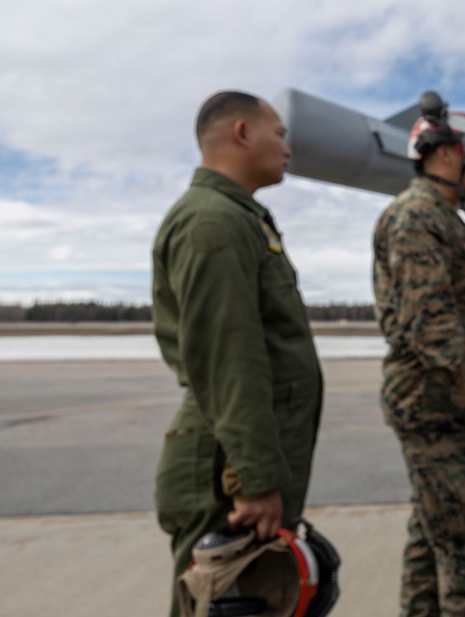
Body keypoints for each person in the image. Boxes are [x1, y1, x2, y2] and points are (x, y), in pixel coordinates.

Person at [152, 91, 324, 617]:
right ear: (242, 133)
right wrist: (252, 481)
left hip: (238, 465)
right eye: (279, 134)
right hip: (226, 475)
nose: (288, 149)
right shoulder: (214, 223)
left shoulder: (238, 217)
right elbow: (227, 358)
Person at [372, 90, 465, 617]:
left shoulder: (443, 217)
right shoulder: (415, 217)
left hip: (441, 405)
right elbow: (429, 318)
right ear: (448, 151)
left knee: (432, 538)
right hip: (439, 409)